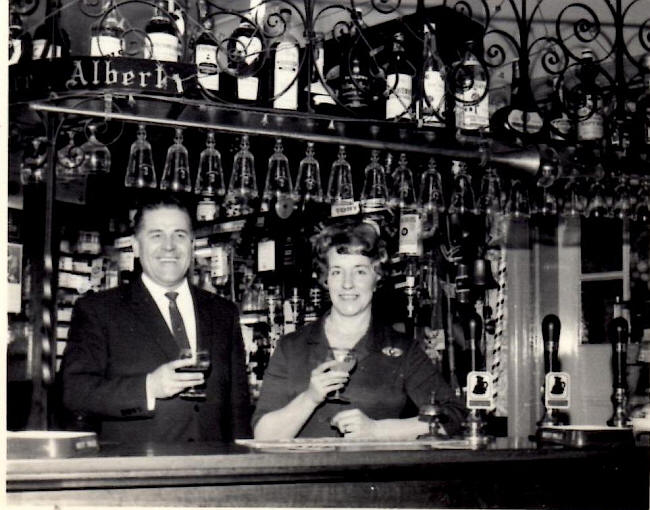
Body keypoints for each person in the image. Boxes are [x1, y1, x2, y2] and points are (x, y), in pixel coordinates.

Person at [61, 195, 252, 443]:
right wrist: (149, 387)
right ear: (136, 246)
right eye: (156, 235)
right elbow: (75, 392)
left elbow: (238, 406)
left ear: (192, 245)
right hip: (139, 472)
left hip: (212, 470)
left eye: (179, 235)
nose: (169, 246)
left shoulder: (223, 311)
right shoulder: (99, 310)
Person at [253, 219, 466, 440]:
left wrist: (378, 430)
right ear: (326, 279)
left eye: (360, 272)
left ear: (377, 278)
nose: (347, 284)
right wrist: (310, 398)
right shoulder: (291, 347)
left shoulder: (403, 350)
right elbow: (262, 436)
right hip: (306, 474)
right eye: (337, 272)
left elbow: (455, 416)